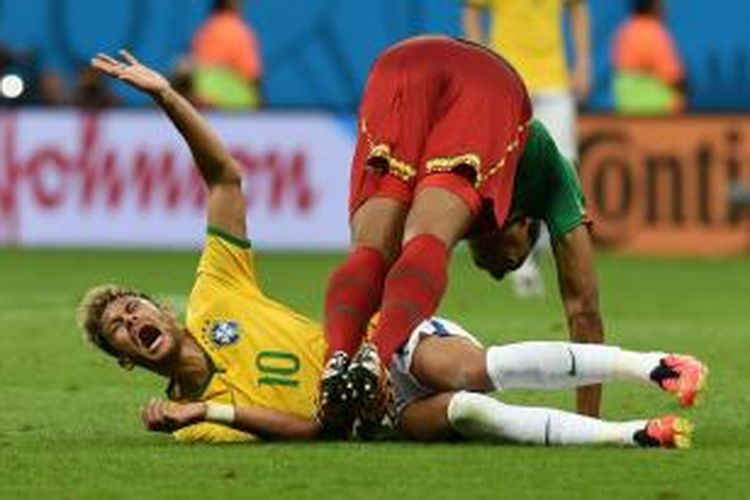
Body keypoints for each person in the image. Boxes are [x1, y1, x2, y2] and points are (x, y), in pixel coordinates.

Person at [79, 49, 706, 449]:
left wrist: (166, 96)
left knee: (453, 362)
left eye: (132, 309)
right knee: (469, 414)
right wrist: (209, 414)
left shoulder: (214, 291)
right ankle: (629, 435)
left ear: (161, 307)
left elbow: (224, 179)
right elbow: (305, 431)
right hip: (371, 419)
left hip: (395, 337)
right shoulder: (193, 421)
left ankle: (652, 364)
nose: (133, 321)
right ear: (126, 359)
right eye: (120, 329)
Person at [319, 35, 603, 441]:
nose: (497, 273)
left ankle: (338, 364)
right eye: (513, 261)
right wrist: (588, 424)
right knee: (429, 237)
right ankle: (375, 360)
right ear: (522, 224)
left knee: (372, 252)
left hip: (397, 63)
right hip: (488, 81)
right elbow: (584, 306)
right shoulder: (552, 172)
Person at [463, 0, 593, 298]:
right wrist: (480, 61)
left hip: (554, 83)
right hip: (506, 79)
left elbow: (577, 10)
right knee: (509, 175)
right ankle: (522, 265)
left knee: (565, 170)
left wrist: (583, 62)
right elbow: (471, 10)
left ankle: (546, 252)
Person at [611, 0, 686, 115]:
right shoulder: (654, 32)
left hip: (624, 107)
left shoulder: (624, 29)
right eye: (662, 4)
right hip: (657, 110)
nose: (666, 8)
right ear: (654, 5)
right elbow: (673, 76)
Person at [191, 0, 263, 109]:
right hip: (234, 103)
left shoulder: (205, 28)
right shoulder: (239, 30)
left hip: (203, 98)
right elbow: (252, 73)